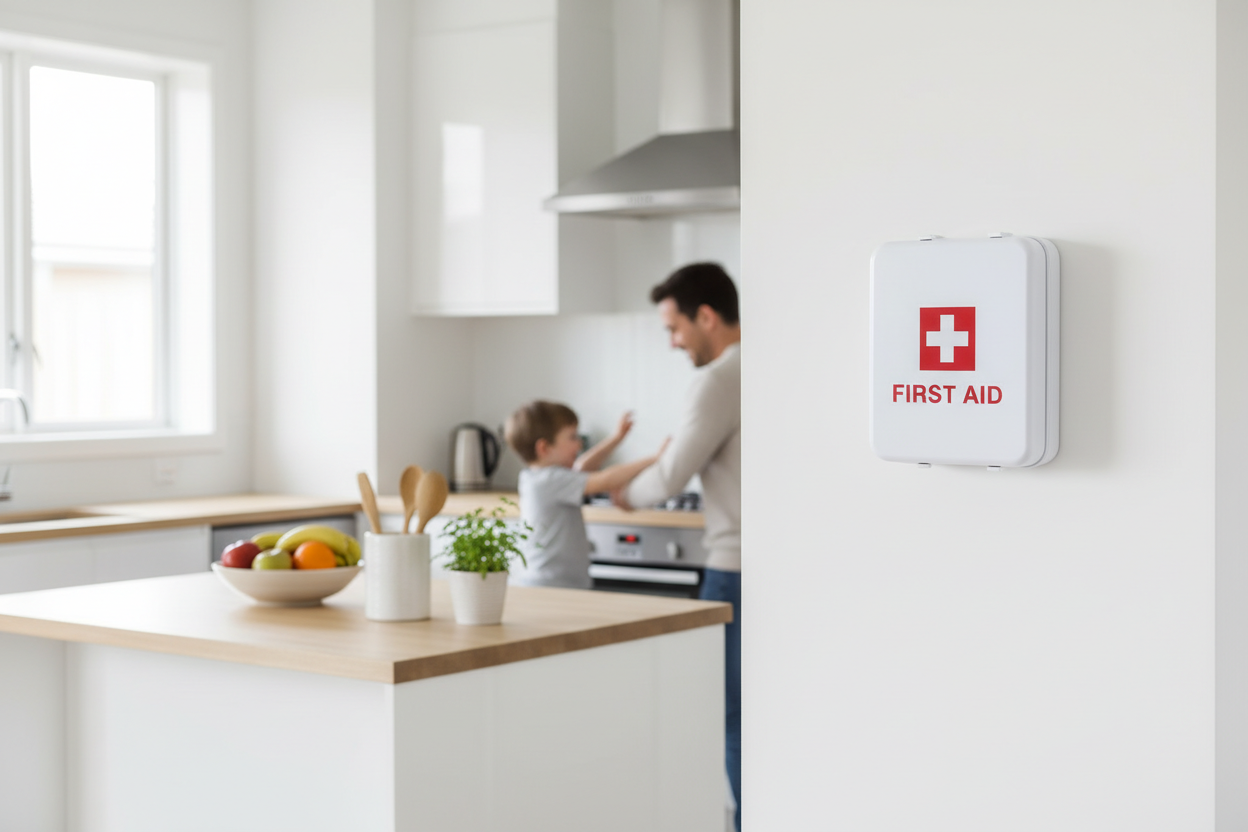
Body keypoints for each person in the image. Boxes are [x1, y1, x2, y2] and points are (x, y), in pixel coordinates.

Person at [613, 261, 741, 830]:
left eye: (675, 328)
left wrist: (622, 495)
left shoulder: (719, 379)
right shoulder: (775, 362)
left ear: (706, 316)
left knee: (735, 717)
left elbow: (669, 476)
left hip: (735, 567)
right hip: (779, 567)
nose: (672, 342)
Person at [504, 401, 667, 589]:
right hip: (552, 585)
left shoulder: (536, 477)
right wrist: (655, 459)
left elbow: (581, 468)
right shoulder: (549, 480)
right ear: (544, 448)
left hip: (551, 582)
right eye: (572, 437)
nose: (579, 443)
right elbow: (604, 480)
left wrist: (617, 438)